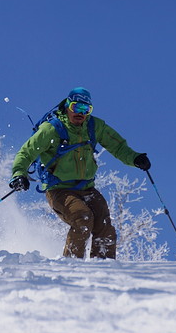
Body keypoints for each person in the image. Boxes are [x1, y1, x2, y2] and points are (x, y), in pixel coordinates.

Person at [9, 87, 151, 259]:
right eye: (77, 107)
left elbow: (118, 146)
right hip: (59, 189)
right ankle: (71, 264)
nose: (80, 113)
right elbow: (26, 152)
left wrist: (135, 158)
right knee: (82, 218)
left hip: (87, 189)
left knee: (104, 224)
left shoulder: (94, 126)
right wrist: (19, 174)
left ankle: (103, 265)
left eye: (86, 110)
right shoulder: (52, 129)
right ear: (68, 105)